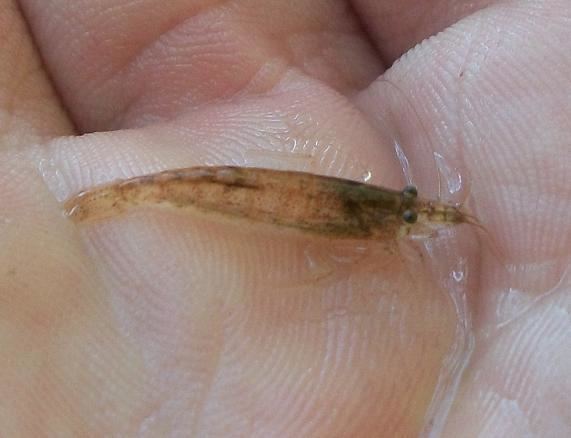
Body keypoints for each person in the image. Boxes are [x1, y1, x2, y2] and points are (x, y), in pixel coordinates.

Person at [1, 0, 569, 435]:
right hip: (263, 195)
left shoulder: (395, 221)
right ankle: (118, 197)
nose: (421, 213)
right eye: (416, 205)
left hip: (282, 197)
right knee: (211, 191)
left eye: (416, 211)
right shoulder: (390, 227)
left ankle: (120, 196)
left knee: (211, 189)